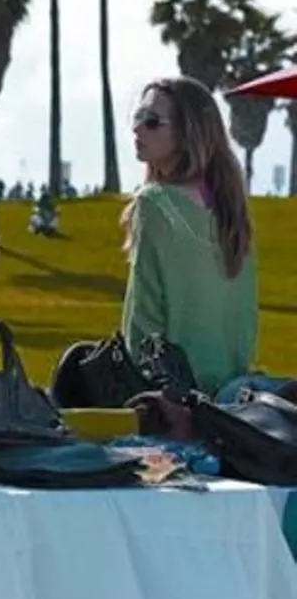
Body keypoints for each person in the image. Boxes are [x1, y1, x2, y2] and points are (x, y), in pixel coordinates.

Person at [121, 76, 257, 395]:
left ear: (186, 134)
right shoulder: (230, 210)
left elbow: (144, 311)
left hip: (170, 394)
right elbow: (245, 317)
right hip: (229, 393)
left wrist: (136, 384)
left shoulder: (154, 203)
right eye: (138, 117)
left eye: (152, 121)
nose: (137, 129)